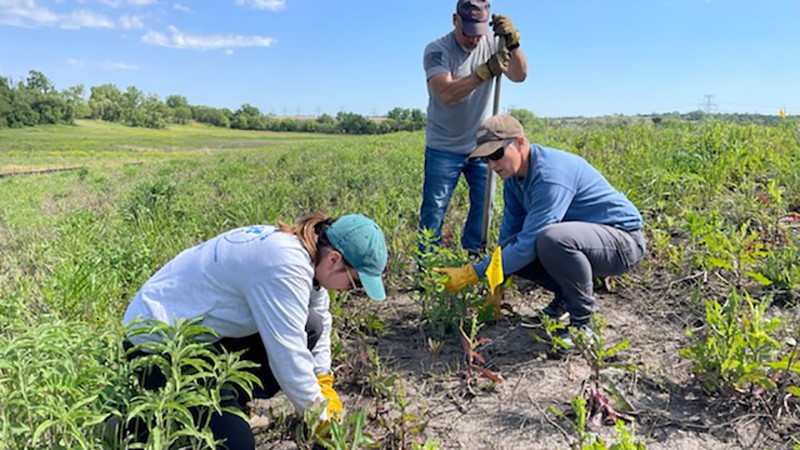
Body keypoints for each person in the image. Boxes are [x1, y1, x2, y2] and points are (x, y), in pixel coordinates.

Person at [122, 212, 388, 449]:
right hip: (157, 344)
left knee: (311, 326)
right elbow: (287, 356)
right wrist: (322, 422)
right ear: (334, 259)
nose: (350, 291)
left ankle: (227, 403)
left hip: (203, 336)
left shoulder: (306, 253)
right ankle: (136, 427)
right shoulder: (285, 265)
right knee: (238, 445)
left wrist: (323, 381)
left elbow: (321, 317)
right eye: (354, 283)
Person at [435, 115, 646, 347]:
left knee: (550, 239)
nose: (493, 165)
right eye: (486, 159)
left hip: (623, 242)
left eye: (496, 154)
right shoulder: (514, 180)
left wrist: (472, 273)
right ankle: (565, 298)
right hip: (586, 241)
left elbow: (530, 243)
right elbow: (510, 234)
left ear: (521, 143)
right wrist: (497, 281)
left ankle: (583, 324)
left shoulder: (549, 175)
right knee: (510, 247)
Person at [419, 0, 527, 257]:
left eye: (479, 32)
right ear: (455, 20)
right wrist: (484, 72)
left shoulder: (493, 43)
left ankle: (473, 259)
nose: (474, 40)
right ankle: (427, 267)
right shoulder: (436, 50)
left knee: (484, 205)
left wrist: (513, 43)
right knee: (434, 208)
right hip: (443, 146)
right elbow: (445, 93)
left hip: (481, 145)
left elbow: (520, 75)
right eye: (468, 32)